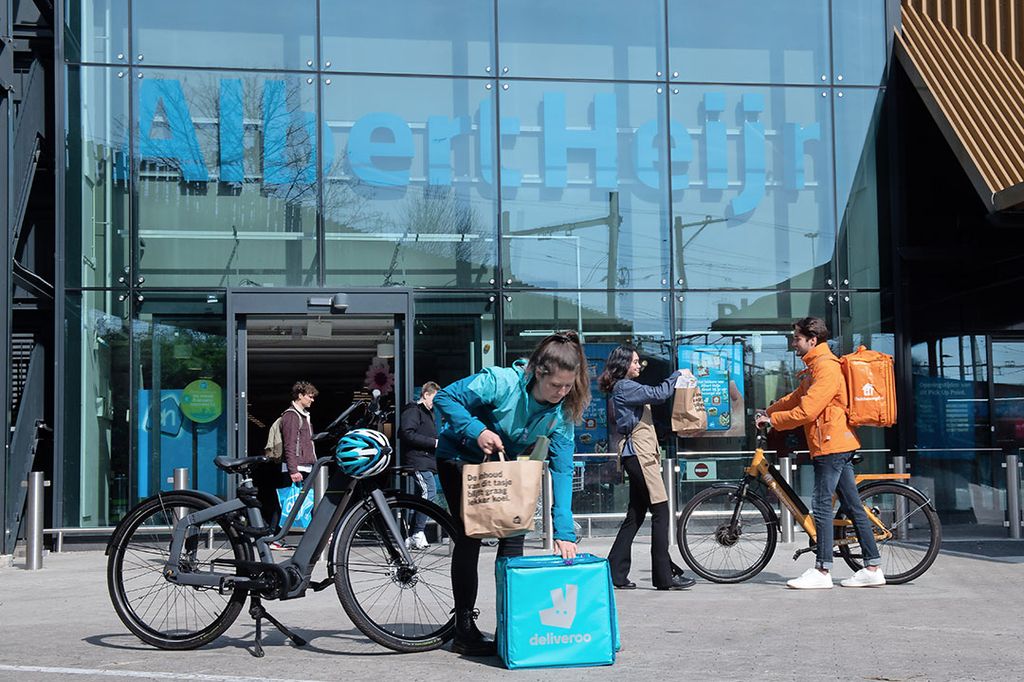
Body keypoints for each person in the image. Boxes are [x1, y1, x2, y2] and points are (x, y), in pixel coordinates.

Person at [434, 331, 589, 657]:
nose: (561, 393)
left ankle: (510, 624)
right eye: (554, 385)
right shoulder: (501, 382)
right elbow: (445, 397)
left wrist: (564, 530)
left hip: (509, 467)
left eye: (567, 386)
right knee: (470, 534)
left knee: (514, 536)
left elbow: (562, 468)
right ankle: (464, 627)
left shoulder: (562, 413)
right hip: (461, 458)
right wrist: (478, 431)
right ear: (536, 373)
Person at [755, 317, 885, 589]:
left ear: (812, 340)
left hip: (831, 444)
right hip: (831, 443)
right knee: (852, 506)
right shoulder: (815, 367)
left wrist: (773, 422)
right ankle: (872, 567)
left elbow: (807, 411)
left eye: (796, 339)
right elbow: (796, 398)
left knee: (823, 505)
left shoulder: (826, 368)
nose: (793, 343)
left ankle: (823, 570)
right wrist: (768, 411)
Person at [599, 346, 695, 592]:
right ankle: (664, 577)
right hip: (640, 456)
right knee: (661, 511)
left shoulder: (625, 388)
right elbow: (660, 393)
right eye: (634, 361)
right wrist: (676, 376)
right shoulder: (625, 387)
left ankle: (615, 572)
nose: (638, 365)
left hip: (637, 454)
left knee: (635, 515)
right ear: (622, 365)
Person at [273, 381, 318, 550]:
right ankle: (275, 537)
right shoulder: (292, 416)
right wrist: (293, 470)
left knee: (297, 502)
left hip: (304, 466)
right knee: (287, 502)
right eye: (310, 396)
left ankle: (277, 537)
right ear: (300, 395)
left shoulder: (303, 415)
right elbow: (289, 445)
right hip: (297, 467)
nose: (312, 400)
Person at [399, 381, 440, 550]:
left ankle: (412, 535)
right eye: (434, 398)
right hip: (418, 460)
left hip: (424, 460)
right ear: (426, 394)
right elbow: (406, 434)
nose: (435, 403)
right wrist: (433, 443)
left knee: (423, 494)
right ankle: (418, 532)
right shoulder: (414, 410)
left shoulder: (427, 413)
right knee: (428, 492)